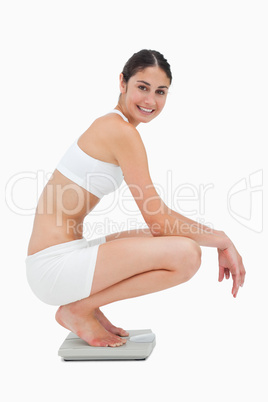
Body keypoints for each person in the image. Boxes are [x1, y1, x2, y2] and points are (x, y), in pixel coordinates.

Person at [26, 49, 246, 348]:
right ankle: (78, 309)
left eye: (160, 92)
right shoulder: (119, 131)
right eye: (142, 87)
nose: (150, 101)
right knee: (186, 254)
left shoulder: (115, 125)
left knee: (172, 243)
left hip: (65, 255)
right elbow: (158, 219)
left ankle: (83, 307)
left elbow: (158, 222)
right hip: (53, 267)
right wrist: (222, 239)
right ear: (122, 82)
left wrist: (219, 239)